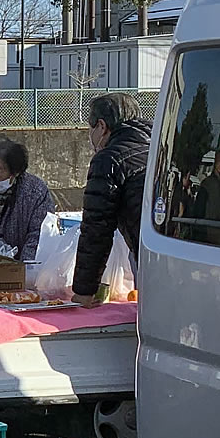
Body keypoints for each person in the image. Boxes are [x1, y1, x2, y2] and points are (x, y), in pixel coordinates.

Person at [72, 92, 151, 306]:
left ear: (102, 126)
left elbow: (96, 229)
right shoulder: (159, 148)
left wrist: (84, 291)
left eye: (90, 128)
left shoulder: (109, 159)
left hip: (149, 258)